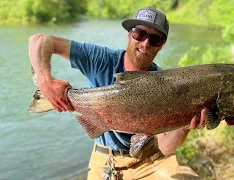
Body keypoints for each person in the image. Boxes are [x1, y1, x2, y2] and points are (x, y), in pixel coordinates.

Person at [29, 6, 208, 180]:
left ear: (160, 46)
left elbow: (165, 147)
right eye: (139, 33)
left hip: (149, 158)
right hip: (105, 159)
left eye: (154, 39)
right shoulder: (100, 59)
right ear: (129, 34)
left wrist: (185, 127)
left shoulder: (164, 85)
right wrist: (45, 81)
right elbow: (39, 40)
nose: (145, 43)